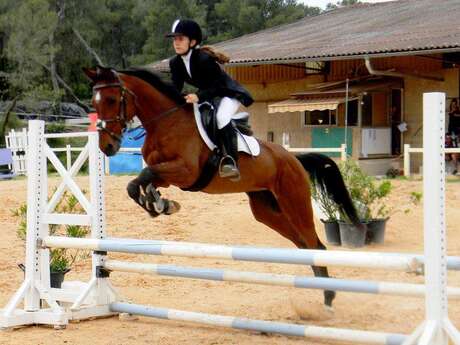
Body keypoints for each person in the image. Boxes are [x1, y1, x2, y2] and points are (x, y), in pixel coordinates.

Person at [166, 19, 254, 181]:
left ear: (192, 42)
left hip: (228, 93)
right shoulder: (175, 63)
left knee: (221, 118)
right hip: (209, 95)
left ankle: (231, 161)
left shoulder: (204, 60)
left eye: (180, 39)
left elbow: (219, 87)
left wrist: (198, 96)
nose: (176, 43)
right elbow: (175, 87)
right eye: (174, 39)